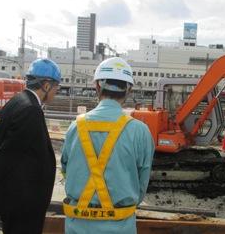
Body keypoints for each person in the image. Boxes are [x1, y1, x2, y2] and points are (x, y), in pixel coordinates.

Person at [61, 57, 155, 234]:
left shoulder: (75, 127)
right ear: (129, 89)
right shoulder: (140, 131)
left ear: (97, 86)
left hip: (77, 225)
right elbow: (142, 183)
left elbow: (66, 170)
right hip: (120, 226)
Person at [0, 58, 61, 234]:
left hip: (15, 198)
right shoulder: (31, 110)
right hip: (22, 203)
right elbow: (7, 155)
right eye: (56, 87)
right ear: (46, 85)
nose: (56, 92)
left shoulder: (17, 101)